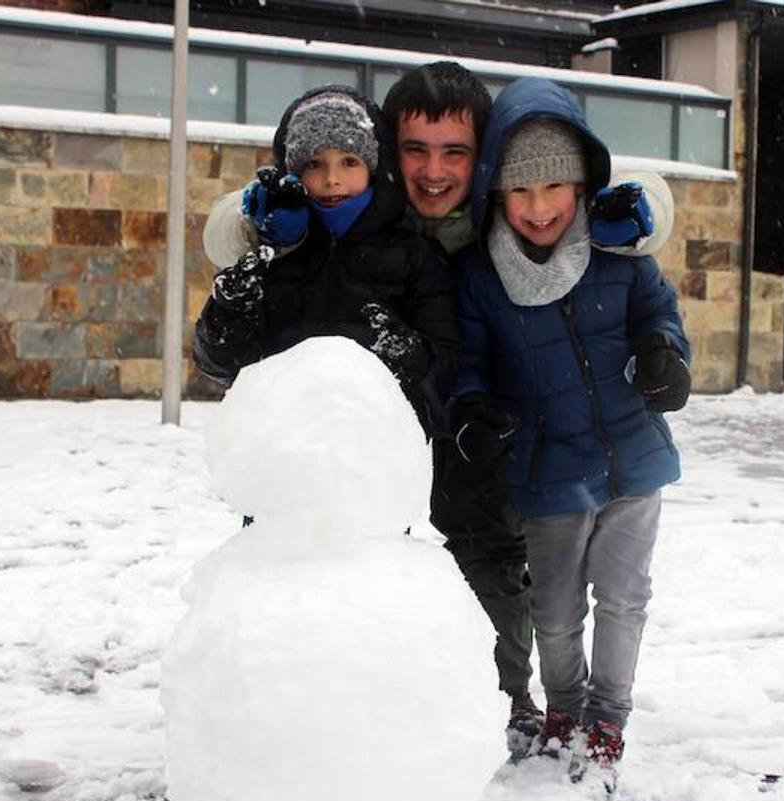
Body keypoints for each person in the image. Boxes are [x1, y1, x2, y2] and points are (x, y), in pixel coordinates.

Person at [201, 62, 678, 759]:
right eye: (415, 150)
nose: (433, 170)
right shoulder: (352, 199)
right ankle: (316, 693)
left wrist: (645, 214)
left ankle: (501, 691)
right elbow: (236, 227)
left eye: (454, 151)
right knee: (340, 548)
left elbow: (621, 199)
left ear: (480, 155)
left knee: (489, 549)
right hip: (373, 422)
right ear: (388, 150)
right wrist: (253, 217)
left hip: (481, 412)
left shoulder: (506, 194)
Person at [448, 76, 692, 793]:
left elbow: (660, 316)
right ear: (497, 194)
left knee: (623, 598)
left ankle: (608, 717)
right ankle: (564, 709)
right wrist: (472, 412)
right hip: (547, 467)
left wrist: (665, 358)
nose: (539, 207)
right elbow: (470, 363)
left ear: (581, 185)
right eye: (519, 193)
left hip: (632, 457)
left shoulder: (620, 251)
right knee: (554, 613)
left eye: (554, 188)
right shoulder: (481, 277)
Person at [192, 85, 456, 439]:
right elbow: (221, 365)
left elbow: (448, 366)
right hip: (285, 450)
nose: (332, 179)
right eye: (314, 164)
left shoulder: (414, 258)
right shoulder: (275, 255)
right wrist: (231, 310)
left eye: (349, 162)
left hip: (381, 457)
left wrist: (412, 358)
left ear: (374, 168)